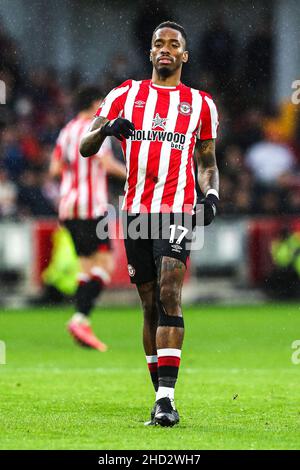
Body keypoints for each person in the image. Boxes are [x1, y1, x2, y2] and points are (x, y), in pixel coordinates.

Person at [80, 22, 219, 426]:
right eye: (158, 43)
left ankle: (165, 400)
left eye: (174, 44)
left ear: (184, 56)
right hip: (136, 212)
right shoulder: (125, 94)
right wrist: (108, 128)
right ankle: (159, 393)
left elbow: (207, 162)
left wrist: (210, 195)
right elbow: (86, 147)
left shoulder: (201, 104)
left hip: (178, 208)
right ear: (150, 52)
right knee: (149, 304)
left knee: (169, 291)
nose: (165, 49)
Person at [50, 86, 126, 351]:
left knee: (85, 267)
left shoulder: (66, 130)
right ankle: (80, 318)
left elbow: (55, 168)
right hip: (92, 206)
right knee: (106, 263)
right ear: (96, 103)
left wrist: (75, 178)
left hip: (68, 206)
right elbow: (105, 164)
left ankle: (83, 321)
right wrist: (135, 175)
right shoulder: (97, 128)